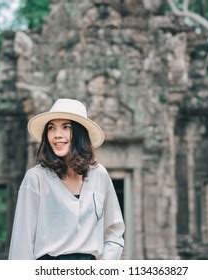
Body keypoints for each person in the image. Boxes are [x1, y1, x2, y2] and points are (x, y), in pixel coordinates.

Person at [8, 98, 125, 260]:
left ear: (79, 133)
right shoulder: (36, 178)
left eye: (66, 127)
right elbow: (22, 244)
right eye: (51, 128)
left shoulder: (99, 175)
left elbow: (114, 230)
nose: (57, 135)